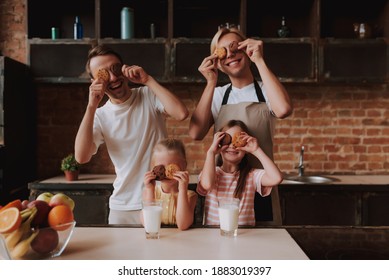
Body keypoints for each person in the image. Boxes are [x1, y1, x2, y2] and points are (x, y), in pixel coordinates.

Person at [74, 45, 189, 224]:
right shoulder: (100, 115)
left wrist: (148, 80)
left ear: (124, 68)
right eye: (103, 74)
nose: (112, 78)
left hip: (159, 200)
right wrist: (91, 106)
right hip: (122, 206)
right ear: (94, 82)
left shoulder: (148, 95)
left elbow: (181, 113)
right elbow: (81, 157)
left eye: (115, 69)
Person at [189, 27, 292, 223]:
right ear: (218, 63)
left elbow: (284, 109)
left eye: (236, 47)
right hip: (224, 187)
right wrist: (210, 82)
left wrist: (259, 60)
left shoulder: (265, 90)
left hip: (261, 184)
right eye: (223, 52)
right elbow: (195, 132)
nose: (231, 54)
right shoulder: (218, 95)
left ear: (247, 50)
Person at [197, 120, 283, 226]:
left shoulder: (251, 176)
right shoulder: (210, 173)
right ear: (219, 144)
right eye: (227, 141)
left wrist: (256, 150)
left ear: (246, 149)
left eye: (237, 141)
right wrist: (211, 152)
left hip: (245, 236)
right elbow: (207, 185)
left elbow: (276, 178)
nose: (232, 146)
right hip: (214, 236)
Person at [142, 138, 198, 230]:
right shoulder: (149, 192)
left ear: (184, 166)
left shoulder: (189, 196)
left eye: (172, 166)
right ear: (153, 169)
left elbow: (183, 225)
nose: (166, 172)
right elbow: (147, 223)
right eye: (161, 167)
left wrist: (183, 190)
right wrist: (150, 190)